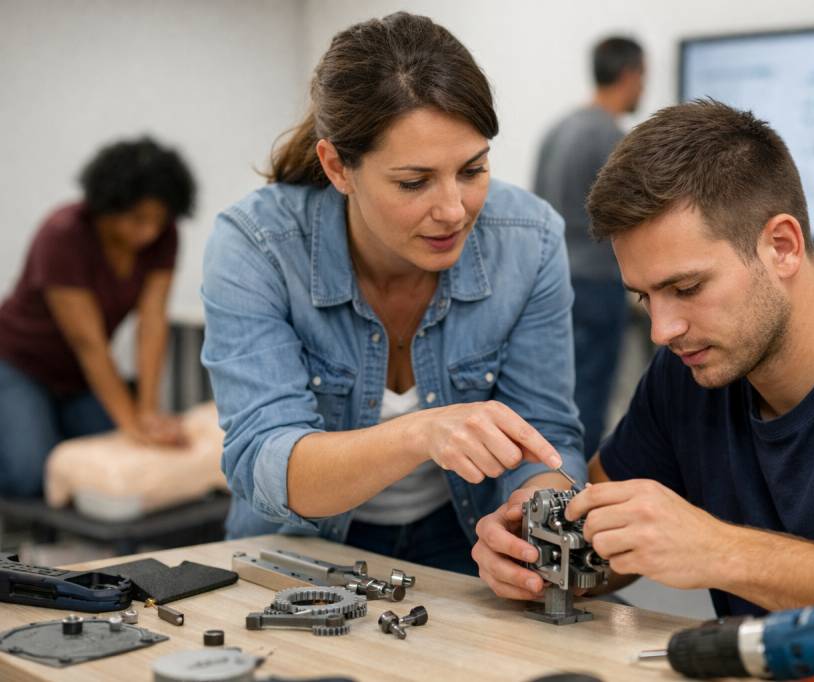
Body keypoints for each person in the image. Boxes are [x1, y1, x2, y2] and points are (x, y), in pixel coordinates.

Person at [471, 100, 814, 671]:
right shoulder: (688, 373)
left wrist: (722, 551)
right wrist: (536, 553)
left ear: (781, 246)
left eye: (686, 288)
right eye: (645, 297)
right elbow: (608, 534)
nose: (663, 330)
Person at [200, 12, 584, 575]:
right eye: (414, 182)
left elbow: (545, 435)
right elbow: (264, 459)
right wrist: (421, 434)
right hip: (299, 549)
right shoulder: (257, 245)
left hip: (461, 536)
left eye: (473, 169)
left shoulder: (530, 240)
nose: (454, 210)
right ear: (338, 168)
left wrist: (531, 518)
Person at [0, 137, 195, 498]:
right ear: (107, 206)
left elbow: (152, 323)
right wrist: (130, 423)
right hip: (16, 363)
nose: (148, 231)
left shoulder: (163, 238)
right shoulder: (62, 234)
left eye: (158, 220)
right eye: (137, 219)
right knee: (29, 473)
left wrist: (147, 412)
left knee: (118, 449)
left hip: (76, 376)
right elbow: (88, 343)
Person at [534, 36, 644, 459]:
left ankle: (552, 485)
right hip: (598, 287)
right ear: (631, 75)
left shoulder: (557, 130)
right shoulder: (612, 139)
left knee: (559, 397)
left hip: (556, 283)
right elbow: (634, 220)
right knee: (592, 399)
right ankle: (581, 500)